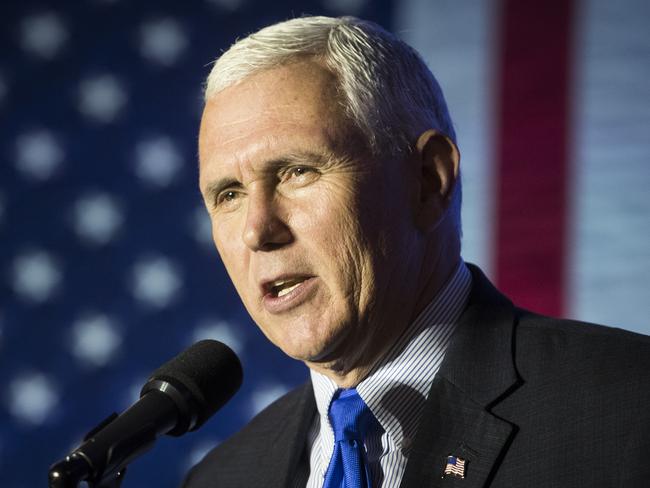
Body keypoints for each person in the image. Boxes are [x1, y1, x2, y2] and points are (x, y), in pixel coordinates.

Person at [183, 15, 650, 488]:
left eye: (297, 171)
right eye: (228, 195)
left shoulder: (629, 410)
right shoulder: (222, 477)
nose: (257, 231)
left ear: (429, 180)